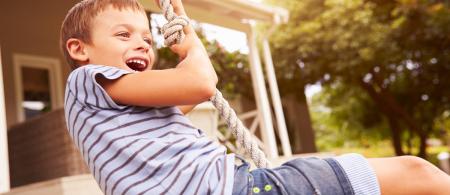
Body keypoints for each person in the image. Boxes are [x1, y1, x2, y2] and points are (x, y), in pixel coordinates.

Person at [60, 0, 450, 194]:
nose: (144, 45)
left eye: (147, 37)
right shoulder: (89, 79)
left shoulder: (116, 113)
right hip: (238, 190)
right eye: (124, 35)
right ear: (80, 50)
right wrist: (191, 39)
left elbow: (184, 96)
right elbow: (200, 82)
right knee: (417, 174)